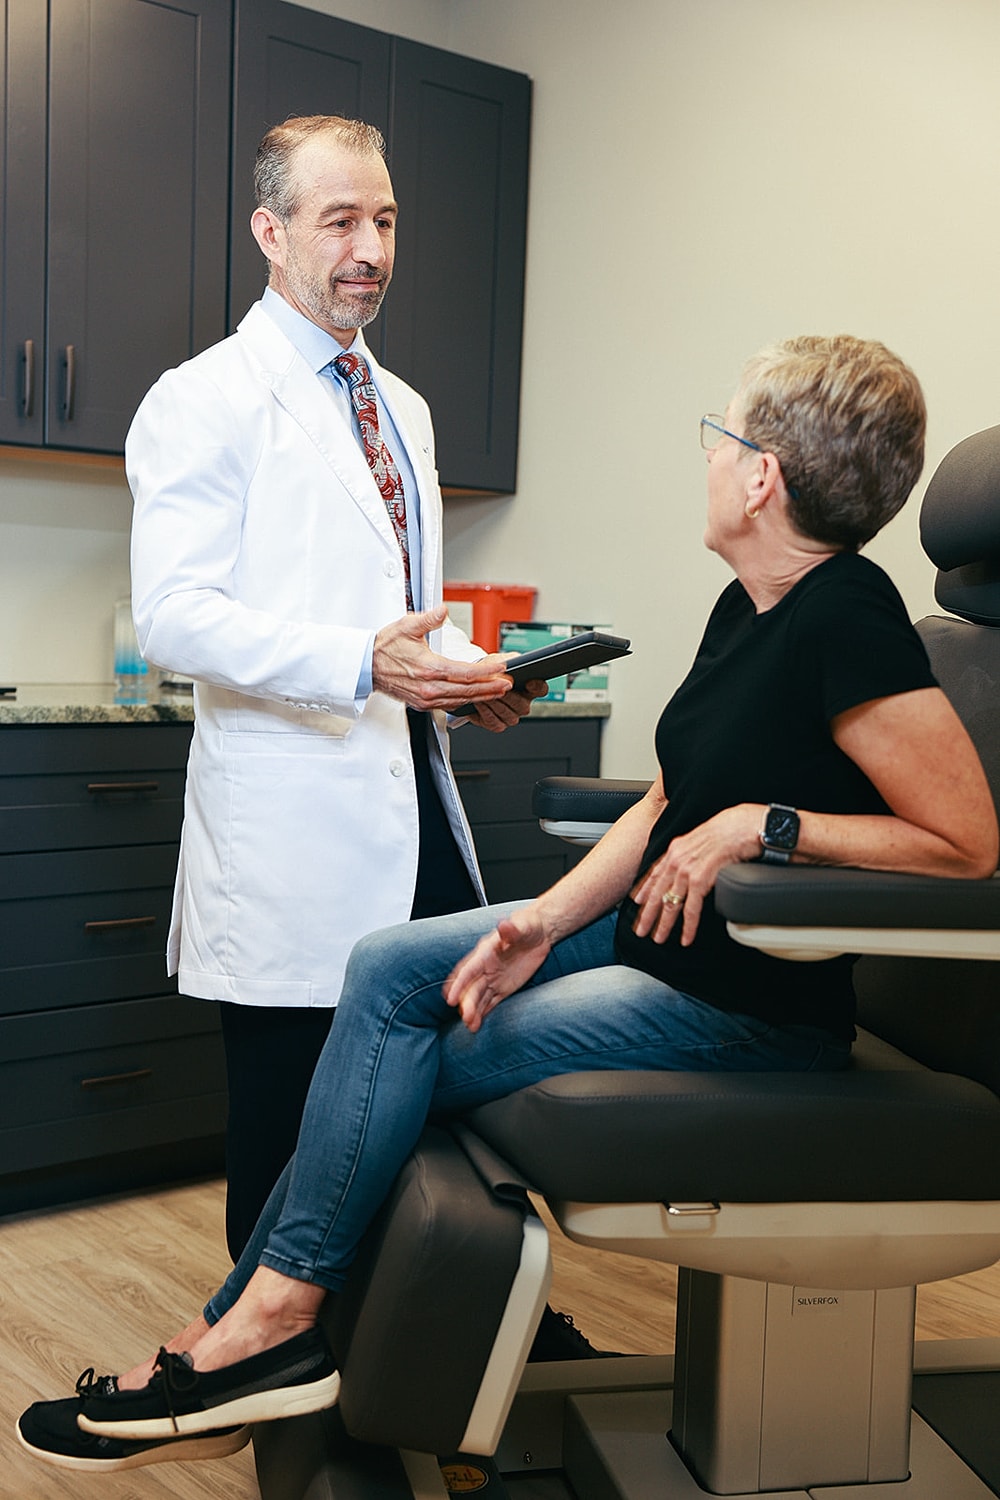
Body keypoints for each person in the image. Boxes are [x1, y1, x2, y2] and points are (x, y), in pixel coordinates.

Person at [18, 334, 998, 1470]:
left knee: (406, 1053)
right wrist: (535, 922)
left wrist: (765, 828)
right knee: (390, 969)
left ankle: (252, 1331)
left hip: (744, 1008)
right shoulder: (752, 606)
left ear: (762, 476)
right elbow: (663, 809)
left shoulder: (851, 618)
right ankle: (260, 1324)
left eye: (720, 439)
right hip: (652, 947)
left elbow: (968, 844)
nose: (710, 460)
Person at [124, 114, 542, 1263]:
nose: (371, 247)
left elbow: (395, 600)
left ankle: (439, 1337)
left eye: (387, 220)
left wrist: (466, 681)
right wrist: (364, 662)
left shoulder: (399, 406)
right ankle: (265, 1364)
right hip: (293, 823)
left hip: (416, 798)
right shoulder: (203, 397)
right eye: (340, 220)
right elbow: (173, 614)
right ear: (270, 231)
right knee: (290, 1119)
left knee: (432, 1093)